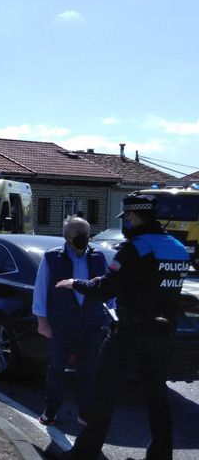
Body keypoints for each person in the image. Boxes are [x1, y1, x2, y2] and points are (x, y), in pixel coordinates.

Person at [58, 195, 190, 460]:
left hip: (130, 334)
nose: (126, 223)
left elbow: (106, 289)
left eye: (126, 218)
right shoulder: (178, 247)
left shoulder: (135, 248)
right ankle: (161, 454)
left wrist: (75, 282)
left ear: (132, 216)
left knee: (103, 393)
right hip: (163, 334)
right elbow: (151, 284)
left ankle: (85, 453)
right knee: (157, 396)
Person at [32, 216, 113, 426]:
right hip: (62, 322)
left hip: (92, 322)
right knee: (56, 368)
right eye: (77, 234)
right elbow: (41, 291)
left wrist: (112, 316)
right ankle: (51, 410)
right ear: (67, 236)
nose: (82, 238)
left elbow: (108, 289)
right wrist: (42, 320)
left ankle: (85, 412)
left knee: (88, 370)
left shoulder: (98, 257)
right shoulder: (52, 258)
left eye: (84, 233)